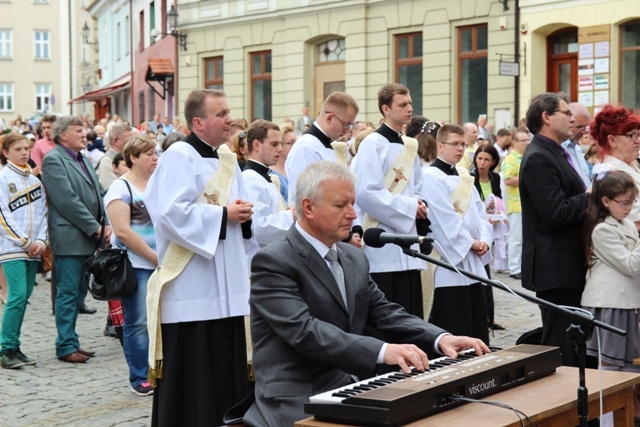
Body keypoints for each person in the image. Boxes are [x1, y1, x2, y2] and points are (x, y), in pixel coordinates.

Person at [243, 161, 490, 427]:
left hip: (348, 384)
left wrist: (440, 339)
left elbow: (383, 311)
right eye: (341, 205)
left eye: (353, 203)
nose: (352, 214)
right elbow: (305, 332)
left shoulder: (352, 256)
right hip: (296, 397)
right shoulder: (274, 261)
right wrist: (384, 351)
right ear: (308, 207)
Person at [145, 89, 256, 426]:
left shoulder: (227, 159)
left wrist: (246, 216)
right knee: (194, 378)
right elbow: (168, 213)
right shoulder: (179, 155)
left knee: (228, 369)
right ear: (198, 122)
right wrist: (223, 216)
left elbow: (244, 209)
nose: (230, 119)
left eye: (229, 112)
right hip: (192, 287)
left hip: (230, 284)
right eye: (221, 113)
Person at [519, 92, 589, 367]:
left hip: (567, 263)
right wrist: (590, 196)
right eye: (565, 112)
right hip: (556, 266)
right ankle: (563, 402)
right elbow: (555, 213)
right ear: (546, 117)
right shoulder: (539, 157)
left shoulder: (554, 152)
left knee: (573, 336)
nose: (572, 118)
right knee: (561, 341)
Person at [350, 83, 427, 317]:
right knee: (389, 314)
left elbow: (419, 185)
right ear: (386, 109)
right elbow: (365, 192)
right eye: (402, 105)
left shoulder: (408, 146)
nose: (409, 109)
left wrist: (421, 203)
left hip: (408, 242)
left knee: (412, 312)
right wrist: (410, 206)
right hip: (382, 242)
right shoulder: (373, 144)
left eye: (410, 103)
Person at [41, 116, 110, 364]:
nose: (84, 134)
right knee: (68, 293)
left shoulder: (83, 159)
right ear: (63, 136)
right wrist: (95, 228)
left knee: (80, 292)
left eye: (84, 130)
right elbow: (67, 200)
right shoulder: (53, 160)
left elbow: (98, 195)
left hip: (89, 238)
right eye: (78, 130)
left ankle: (72, 341)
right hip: (71, 239)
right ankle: (65, 345)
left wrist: (106, 224)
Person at [422, 125, 492, 344]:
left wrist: (485, 241)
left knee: (478, 325)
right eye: (455, 144)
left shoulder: (464, 176)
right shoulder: (430, 177)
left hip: (472, 260)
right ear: (440, 146)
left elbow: (481, 213)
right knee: (457, 325)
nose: (461, 149)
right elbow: (442, 219)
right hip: (449, 262)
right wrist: (470, 243)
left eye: (463, 144)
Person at [581, 167, 640, 418]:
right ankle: (609, 418)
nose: (628, 208)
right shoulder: (602, 229)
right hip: (610, 303)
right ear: (605, 201)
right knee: (611, 365)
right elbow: (630, 264)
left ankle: (627, 414)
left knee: (628, 363)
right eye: (624, 202)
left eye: (632, 202)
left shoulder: (624, 223)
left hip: (627, 302)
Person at [104, 134, 158, 396]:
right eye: (149, 154)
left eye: (156, 153)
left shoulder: (158, 183)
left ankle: (158, 369)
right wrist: (152, 256)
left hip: (162, 263)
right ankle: (139, 377)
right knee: (137, 322)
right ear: (133, 158)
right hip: (137, 263)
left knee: (160, 321)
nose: (155, 158)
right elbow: (123, 232)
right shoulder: (120, 188)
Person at [0, 133, 48, 369]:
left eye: (26, 148)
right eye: (17, 149)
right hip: (11, 248)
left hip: (34, 249)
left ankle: (14, 347)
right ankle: (5, 348)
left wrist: (40, 241)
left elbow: (43, 215)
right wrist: (25, 241)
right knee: (17, 296)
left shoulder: (35, 181)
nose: (23, 152)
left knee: (24, 298)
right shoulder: (2, 177)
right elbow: (2, 215)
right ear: (6, 152)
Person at [285, 92, 358, 205]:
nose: (347, 130)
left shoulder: (326, 144)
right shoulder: (306, 148)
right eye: (346, 125)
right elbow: (306, 197)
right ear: (329, 118)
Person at [242, 120, 295, 249]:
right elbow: (258, 227)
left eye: (281, 144)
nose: (280, 149)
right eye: (274, 144)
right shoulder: (250, 179)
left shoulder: (263, 176)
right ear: (256, 145)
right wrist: (290, 216)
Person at [589, 104, 640, 232]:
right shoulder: (607, 172)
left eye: (639, 134)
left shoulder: (633, 163)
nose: (638, 140)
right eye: (632, 135)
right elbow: (630, 216)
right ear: (612, 140)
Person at [501, 128, 530, 280]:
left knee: (525, 238)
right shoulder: (510, 159)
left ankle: (522, 266)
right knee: (516, 237)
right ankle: (514, 267)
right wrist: (529, 178)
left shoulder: (527, 157)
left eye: (527, 139)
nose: (527, 143)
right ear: (515, 143)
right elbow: (508, 180)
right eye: (523, 140)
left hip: (527, 204)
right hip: (516, 204)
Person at [561, 102, 592, 187]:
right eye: (580, 127)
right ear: (568, 122)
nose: (584, 132)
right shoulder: (559, 150)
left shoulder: (577, 149)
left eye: (586, 127)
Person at [96, 123, 134, 191]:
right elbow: (110, 191)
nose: (134, 143)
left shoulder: (128, 158)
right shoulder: (107, 161)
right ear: (116, 141)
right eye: (130, 139)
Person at [269, 124, 297, 204]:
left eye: (296, 142)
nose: (295, 146)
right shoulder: (271, 174)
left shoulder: (295, 168)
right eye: (290, 143)